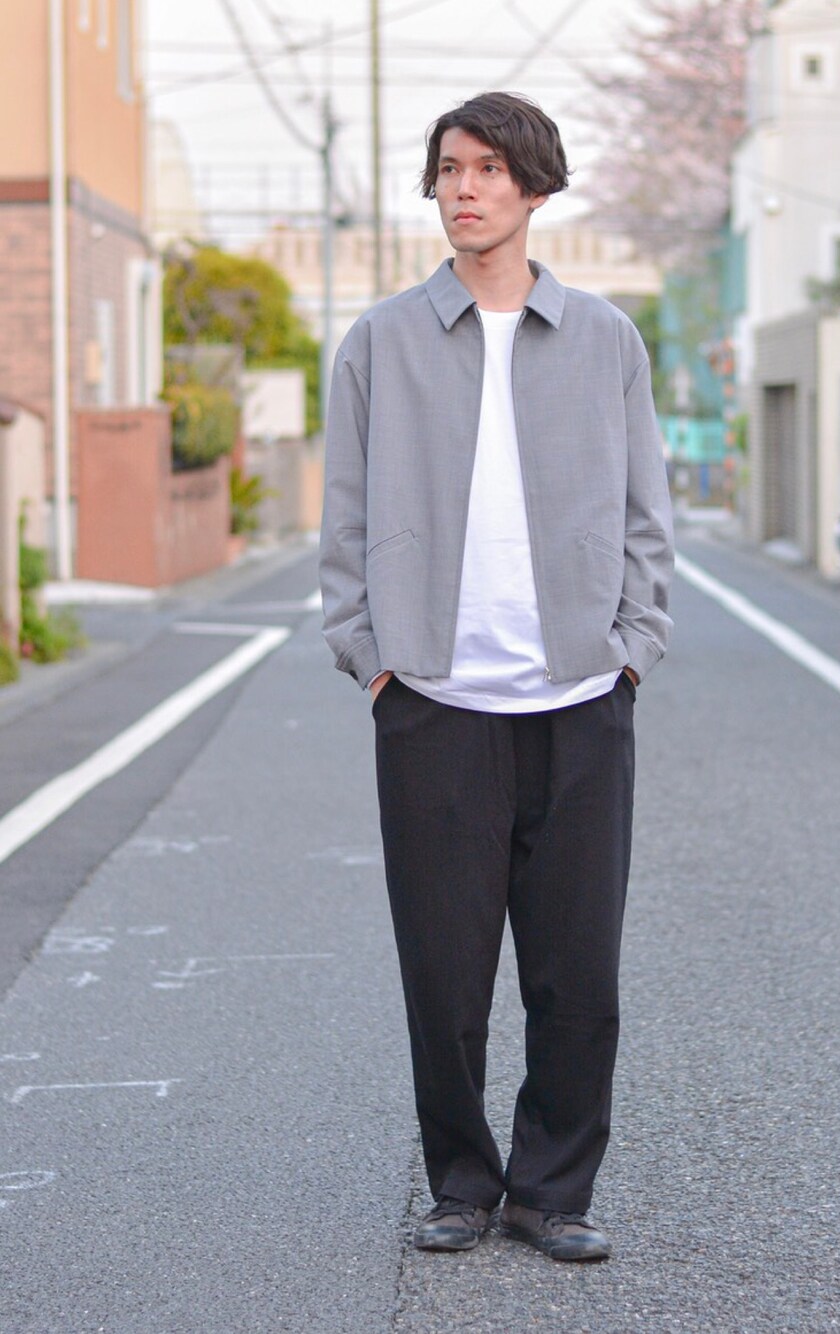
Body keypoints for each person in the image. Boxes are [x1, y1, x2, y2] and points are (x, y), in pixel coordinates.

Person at [319, 91, 674, 1263]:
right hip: (433, 701)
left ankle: (552, 1189)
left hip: (580, 700)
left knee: (578, 974)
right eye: (447, 169)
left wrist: (630, 651)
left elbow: (647, 519)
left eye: (485, 168)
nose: (462, 189)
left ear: (533, 186)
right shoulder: (380, 342)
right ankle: (462, 1183)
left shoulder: (606, 341)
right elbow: (343, 524)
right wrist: (373, 659)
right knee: (445, 972)